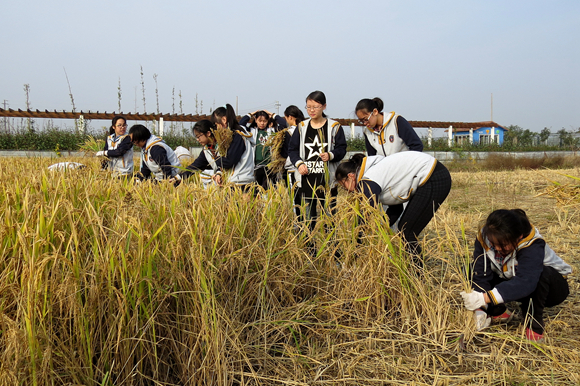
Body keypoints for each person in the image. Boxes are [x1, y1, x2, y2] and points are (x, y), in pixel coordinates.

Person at [460, 209, 571, 342]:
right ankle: (498, 312)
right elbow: (481, 273)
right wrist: (481, 308)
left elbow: (526, 282)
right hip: (512, 279)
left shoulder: (533, 245)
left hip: (550, 289)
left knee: (542, 273)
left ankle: (533, 325)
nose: (497, 248)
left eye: (503, 245)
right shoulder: (484, 238)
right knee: (470, 269)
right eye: (493, 244)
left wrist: (484, 298)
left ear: (518, 237)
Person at [335, 152, 452, 265]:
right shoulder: (375, 174)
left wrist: (356, 247)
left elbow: (366, 216)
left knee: (407, 231)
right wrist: (382, 227)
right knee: (405, 230)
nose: (348, 191)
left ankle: (418, 276)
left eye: (344, 186)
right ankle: (413, 271)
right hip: (433, 175)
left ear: (351, 176)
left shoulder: (368, 181)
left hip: (433, 177)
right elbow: (396, 209)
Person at [288, 91, 347, 228]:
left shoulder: (334, 127)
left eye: (315, 107)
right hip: (306, 178)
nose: (311, 110)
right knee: (308, 218)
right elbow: (292, 150)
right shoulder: (301, 127)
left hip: (327, 180)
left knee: (329, 217)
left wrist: (331, 155)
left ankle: (331, 247)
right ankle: (310, 247)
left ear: (324, 106)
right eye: (308, 107)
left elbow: (342, 149)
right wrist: (299, 164)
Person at [180, 106, 255, 191]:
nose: (217, 128)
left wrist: (215, 158)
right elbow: (196, 165)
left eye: (216, 124)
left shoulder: (238, 136)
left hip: (240, 183)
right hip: (234, 182)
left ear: (224, 120)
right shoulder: (227, 140)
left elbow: (228, 161)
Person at [355, 98, 423, 156]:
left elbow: (417, 145)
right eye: (361, 121)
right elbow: (372, 156)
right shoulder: (367, 132)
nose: (365, 123)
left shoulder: (396, 121)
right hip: (385, 170)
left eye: (365, 119)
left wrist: (407, 164)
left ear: (375, 112)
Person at [240, 110, 287, 189]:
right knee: (256, 190)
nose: (262, 123)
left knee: (268, 191)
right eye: (260, 121)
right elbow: (241, 125)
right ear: (255, 120)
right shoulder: (252, 132)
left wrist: (272, 114)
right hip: (256, 167)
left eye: (264, 121)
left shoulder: (271, 131)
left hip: (270, 167)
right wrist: (250, 114)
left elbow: (283, 124)